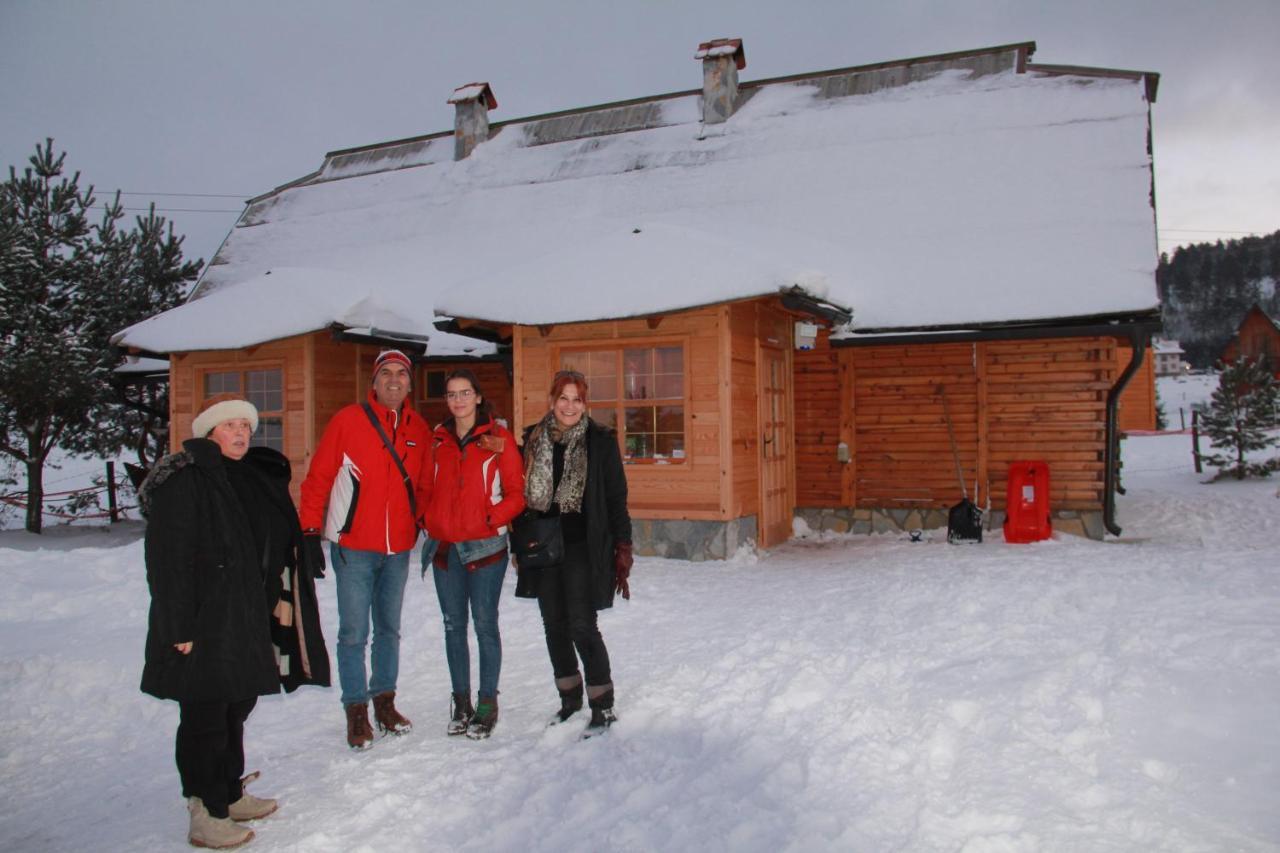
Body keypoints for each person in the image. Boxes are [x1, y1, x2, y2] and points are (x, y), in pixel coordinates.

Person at [140, 393, 329, 849]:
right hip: (203, 618)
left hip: (245, 613)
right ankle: (204, 809)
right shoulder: (186, 480)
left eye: (246, 426)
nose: (242, 433)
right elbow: (168, 560)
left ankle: (228, 790)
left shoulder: (243, 475)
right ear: (209, 433)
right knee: (205, 710)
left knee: (236, 704)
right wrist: (178, 627)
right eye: (230, 427)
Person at [299, 349, 433, 749]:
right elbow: (318, 477)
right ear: (373, 382)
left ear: (409, 383)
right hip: (354, 546)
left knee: (389, 630)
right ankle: (356, 709)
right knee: (354, 632)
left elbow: (424, 485)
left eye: (401, 375)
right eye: (386, 374)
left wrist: (426, 523)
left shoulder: (418, 428)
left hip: (397, 550)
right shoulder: (348, 421)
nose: (394, 380)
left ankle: (385, 701)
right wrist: (309, 530)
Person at [520, 370, 633, 735]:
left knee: (582, 624)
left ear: (585, 404)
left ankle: (603, 703)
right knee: (553, 624)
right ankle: (569, 698)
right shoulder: (533, 440)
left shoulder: (600, 441)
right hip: (543, 544)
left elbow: (616, 498)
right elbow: (521, 497)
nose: (570, 406)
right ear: (553, 400)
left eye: (577, 399)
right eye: (563, 398)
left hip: (584, 544)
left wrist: (624, 545)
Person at [421, 369, 525, 739]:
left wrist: (488, 518)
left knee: (484, 625)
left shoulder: (498, 439)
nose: (459, 400)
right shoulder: (437, 440)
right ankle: (461, 701)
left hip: (485, 549)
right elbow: (424, 487)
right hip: (446, 548)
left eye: (465, 393)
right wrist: (427, 518)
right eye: (452, 394)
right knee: (453, 626)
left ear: (478, 397)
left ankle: (486, 703)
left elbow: (516, 493)